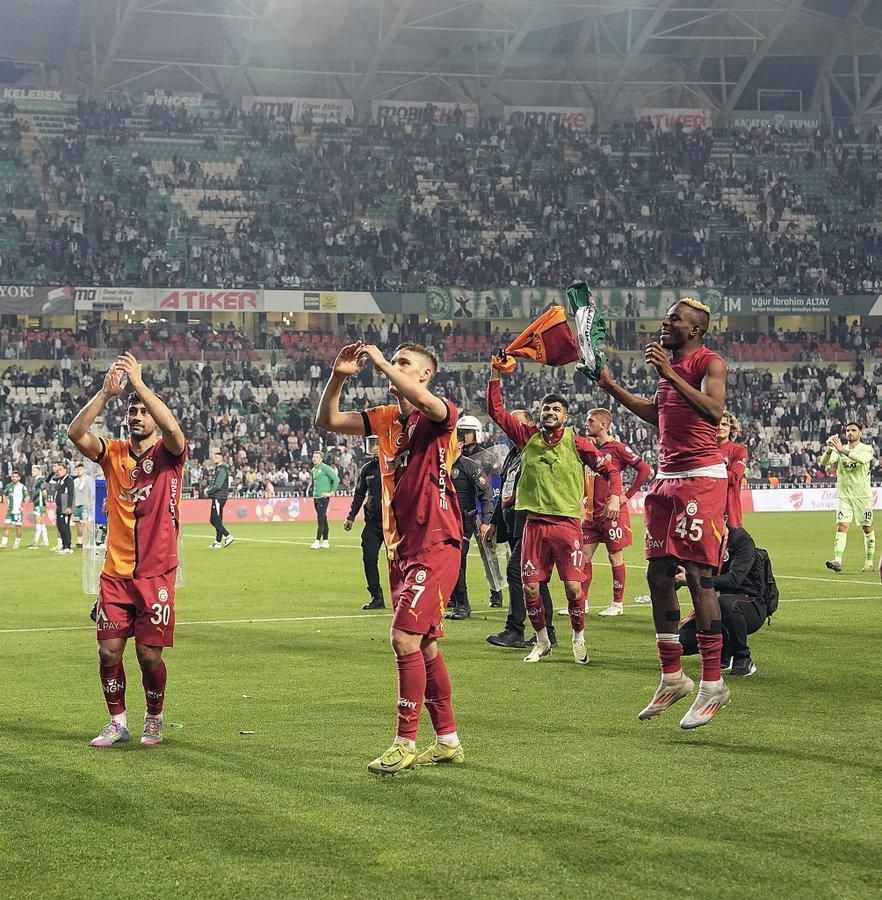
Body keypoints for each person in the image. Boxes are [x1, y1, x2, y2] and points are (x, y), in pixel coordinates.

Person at [316, 340, 465, 775]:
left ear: (424, 376)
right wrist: (339, 376)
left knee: (403, 640)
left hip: (436, 541)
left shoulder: (440, 414)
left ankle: (404, 741)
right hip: (400, 547)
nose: (394, 367)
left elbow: (423, 402)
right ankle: (449, 739)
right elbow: (326, 420)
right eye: (393, 360)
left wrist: (381, 362)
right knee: (428, 646)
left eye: (405, 363)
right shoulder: (384, 420)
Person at [593, 299, 731, 729]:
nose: (665, 323)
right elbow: (660, 415)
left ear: (694, 330)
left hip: (701, 478)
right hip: (666, 480)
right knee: (657, 575)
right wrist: (612, 387)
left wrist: (669, 374)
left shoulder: (711, 363)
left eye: (674, 319)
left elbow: (713, 411)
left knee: (698, 576)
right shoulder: (667, 371)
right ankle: (672, 675)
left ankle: (713, 684)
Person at [67, 351, 187, 748]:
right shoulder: (113, 453)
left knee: (149, 657)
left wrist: (139, 385)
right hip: (116, 574)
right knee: (107, 651)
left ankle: (155, 717)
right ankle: (118, 722)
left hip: (156, 574)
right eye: (132, 410)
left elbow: (174, 429)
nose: (137, 415)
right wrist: (105, 394)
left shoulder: (169, 455)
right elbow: (76, 433)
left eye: (142, 411)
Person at [487, 366, 623, 665]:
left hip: (567, 525)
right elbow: (496, 411)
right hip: (534, 525)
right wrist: (495, 375)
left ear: (565, 416)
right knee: (530, 586)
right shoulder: (528, 438)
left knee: (573, 587)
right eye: (546, 408)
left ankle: (578, 638)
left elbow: (610, 468)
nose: (550, 412)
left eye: (556, 409)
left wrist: (614, 494)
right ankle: (542, 641)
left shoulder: (577, 442)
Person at [484, 412, 558, 650]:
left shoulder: (533, 451)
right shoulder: (513, 454)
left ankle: (516, 629)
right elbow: (506, 488)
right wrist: (495, 522)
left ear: (528, 426)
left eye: (516, 423)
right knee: (535, 578)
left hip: (529, 521)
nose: (510, 428)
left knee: (517, 572)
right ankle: (547, 633)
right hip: (512, 522)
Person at [576, 407, 652, 618]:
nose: (587, 423)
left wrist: (627, 495)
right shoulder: (586, 448)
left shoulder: (618, 449)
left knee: (614, 556)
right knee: (583, 557)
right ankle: (584, 602)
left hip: (612, 514)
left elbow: (645, 469)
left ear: (603, 425)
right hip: (591, 514)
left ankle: (617, 604)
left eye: (591, 420)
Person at [678, 524, 778, 677]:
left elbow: (734, 580)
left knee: (724, 603)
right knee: (680, 642)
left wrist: (693, 580)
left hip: (750, 604)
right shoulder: (699, 538)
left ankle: (742, 658)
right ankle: (723, 653)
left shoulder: (740, 539)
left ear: (724, 518)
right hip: (713, 607)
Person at [446, 422, 495, 621]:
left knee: (458, 562)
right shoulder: (441, 465)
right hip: (443, 521)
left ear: (458, 444)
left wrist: (486, 520)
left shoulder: (469, 466)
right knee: (446, 562)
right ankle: (452, 599)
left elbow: (486, 494)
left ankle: (463, 604)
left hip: (462, 521)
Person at [820, 422, 876, 573]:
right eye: (848, 430)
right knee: (842, 526)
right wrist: (829, 449)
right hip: (844, 495)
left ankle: (869, 561)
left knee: (867, 527)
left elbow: (862, 460)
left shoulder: (867, 449)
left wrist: (841, 450)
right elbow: (823, 463)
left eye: (853, 430)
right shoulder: (839, 449)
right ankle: (837, 560)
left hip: (862, 496)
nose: (850, 432)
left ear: (860, 433)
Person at [344, 437, 385, 610]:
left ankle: (403, 597)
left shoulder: (398, 466)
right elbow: (359, 494)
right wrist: (351, 516)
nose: (375, 448)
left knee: (400, 562)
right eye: (373, 444)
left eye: (378, 443)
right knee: (369, 558)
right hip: (373, 523)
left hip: (395, 523)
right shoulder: (367, 469)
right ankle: (376, 596)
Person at [717, 411, 748, 528]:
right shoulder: (703, 449)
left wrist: (708, 470)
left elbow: (734, 477)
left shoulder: (739, 450)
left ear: (731, 428)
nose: (720, 427)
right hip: (706, 510)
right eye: (717, 424)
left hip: (730, 512)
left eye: (724, 424)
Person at [310, 450, 339, 550]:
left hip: (323, 497)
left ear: (321, 459)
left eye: (317, 457)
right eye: (314, 457)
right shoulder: (314, 470)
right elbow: (314, 483)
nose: (314, 458)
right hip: (316, 497)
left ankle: (317, 540)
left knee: (320, 518)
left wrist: (331, 492)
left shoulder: (325, 468)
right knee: (323, 518)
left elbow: (336, 479)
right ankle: (325, 541)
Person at [206, 450, 234, 549]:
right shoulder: (219, 469)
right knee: (217, 519)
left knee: (214, 520)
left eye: (216, 457)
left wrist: (208, 491)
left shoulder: (222, 470)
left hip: (219, 497)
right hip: (218, 497)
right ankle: (217, 542)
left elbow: (218, 485)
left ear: (221, 458)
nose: (214, 459)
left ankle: (228, 536)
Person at [1, 470, 28, 550]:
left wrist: (23, 507)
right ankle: (4, 543)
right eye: (13, 476)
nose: (14, 478)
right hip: (10, 511)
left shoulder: (22, 487)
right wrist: (6, 505)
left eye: (16, 477)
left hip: (18, 511)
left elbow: (27, 497)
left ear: (19, 478)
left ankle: (17, 543)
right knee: (6, 526)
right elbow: (4, 495)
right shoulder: (8, 486)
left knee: (18, 527)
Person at [52, 460, 74, 554]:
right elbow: (50, 479)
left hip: (65, 505)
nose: (58, 472)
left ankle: (68, 546)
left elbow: (70, 493)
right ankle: (64, 545)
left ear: (65, 470)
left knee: (65, 526)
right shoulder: (60, 480)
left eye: (60, 470)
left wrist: (69, 506)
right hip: (59, 505)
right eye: (57, 470)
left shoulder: (68, 479)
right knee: (60, 526)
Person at [27, 465, 50, 549]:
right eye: (32, 470)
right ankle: (46, 541)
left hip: (40, 504)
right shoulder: (37, 481)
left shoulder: (40, 481)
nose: (32, 472)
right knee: (41, 523)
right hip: (38, 504)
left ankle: (35, 541)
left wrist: (45, 501)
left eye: (35, 471)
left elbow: (44, 492)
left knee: (38, 522)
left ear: (39, 472)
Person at [73, 462, 91, 548]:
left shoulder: (88, 479)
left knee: (85, 523)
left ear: (84, 469)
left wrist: (90, 504)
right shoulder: (75, 481)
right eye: (77, 469)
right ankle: (79, 541)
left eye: (80, 469)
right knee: (77, 523)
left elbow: (92, 492)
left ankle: (86, 541)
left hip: (85, 504)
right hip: (77, 504)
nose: (78, 470)